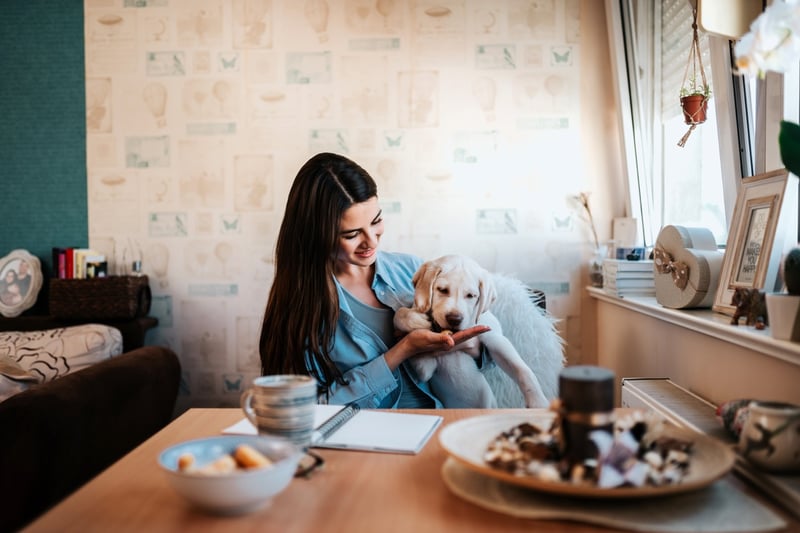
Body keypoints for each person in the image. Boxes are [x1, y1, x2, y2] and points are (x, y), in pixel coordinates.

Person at [259, 152, 490, 409]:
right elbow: (311, 409)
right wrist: (403, 351)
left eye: (376, 221)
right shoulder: (304, 307)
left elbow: (485, 360)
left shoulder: (412, 270)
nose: (371, 241)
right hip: (360, 435)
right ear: (318, 236)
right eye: (352, 234)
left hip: (441, 422)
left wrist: (469, 347)